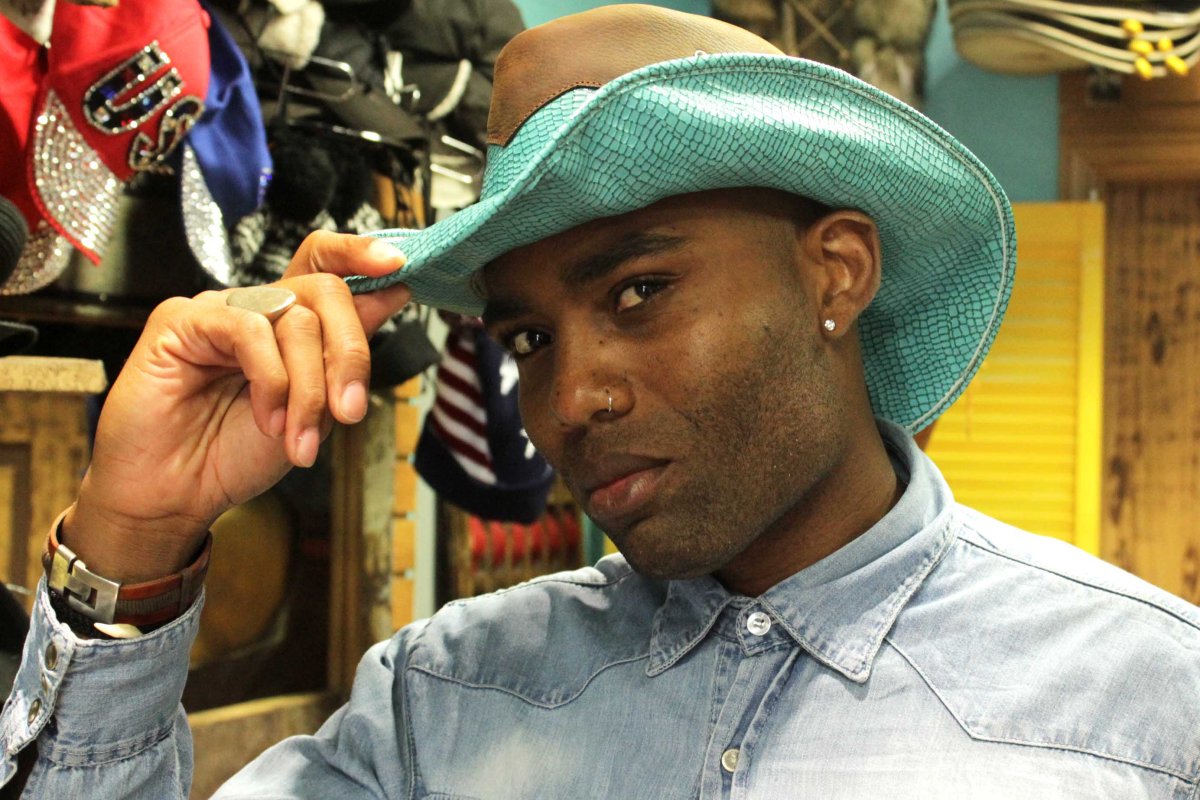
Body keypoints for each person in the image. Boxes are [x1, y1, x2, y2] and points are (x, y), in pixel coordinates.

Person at [3, 5, 1199, 798]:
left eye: (639, 290)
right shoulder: (443, 702)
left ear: (835, 273)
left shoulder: (1141, 706)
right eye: (527, 336)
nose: (569, 397)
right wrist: (135, 540)